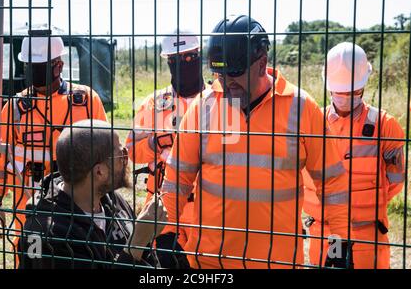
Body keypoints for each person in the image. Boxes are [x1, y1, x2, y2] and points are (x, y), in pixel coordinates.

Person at [159, 15, 352, 269]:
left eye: (235, 73)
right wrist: (165, 236)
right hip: (210, 265)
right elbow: (176, 181)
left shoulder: (301, 108)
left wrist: (339, 247)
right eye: (219, 72)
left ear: (262, 63)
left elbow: (333, 185)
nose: (226, 82)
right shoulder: (204, 106)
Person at [0, 30, 108, 248]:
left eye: (41, 66)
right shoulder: (15, 109)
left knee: (80, 256)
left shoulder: (86, 101)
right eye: (30, 66)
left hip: (80, 207)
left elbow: (107, 153)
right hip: (30, 208)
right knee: (33, 259)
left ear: (59, 65)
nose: (34, 71)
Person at [303, 42, 405, 269]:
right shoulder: (312, 123)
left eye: (352, 91)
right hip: (325, 233)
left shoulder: (385, 126)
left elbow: (396, 182)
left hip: (367, 235)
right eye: (340, 92)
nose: (345, 96)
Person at [18, 119, 167, 268]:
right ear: (99, 171)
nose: (126, 160)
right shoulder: (48, 234)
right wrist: (136, 244)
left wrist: (144, 239)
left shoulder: (112, 200)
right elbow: (135, 251)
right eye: (121, 155)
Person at [125, 31, 206, 257]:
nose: (183, 64)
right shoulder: (154, 103)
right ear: (168, 62)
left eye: (189, 58)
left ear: (199, 56)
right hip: (163, 207)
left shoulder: (217, 100)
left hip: (208, 209)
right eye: (175, 60)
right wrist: (155, 142)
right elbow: (131, 151)